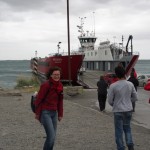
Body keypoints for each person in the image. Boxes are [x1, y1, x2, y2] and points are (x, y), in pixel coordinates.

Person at [108, 66, 138, 150]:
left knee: (118, 130)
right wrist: (128, 101)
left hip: (118, 110)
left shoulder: (113, 86)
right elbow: (135, 98)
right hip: (128, 109)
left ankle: (121, 147)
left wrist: (115, 104)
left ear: (116, 74)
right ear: (125, 73)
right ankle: (130, 145)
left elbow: (110, 100)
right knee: (127, 128)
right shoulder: (130, 84)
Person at [34, 66, 63, 150]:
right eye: (55, 74)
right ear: (51, 75)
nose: (57, 76)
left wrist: (60, 114)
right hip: (45, 112)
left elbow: (60, 101)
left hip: (54, 113)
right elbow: (38, 100)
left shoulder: (60, 85)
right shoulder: (46, 85)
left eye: (58, 74)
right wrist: (37, 114)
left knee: (53, 137)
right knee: (51, 136)